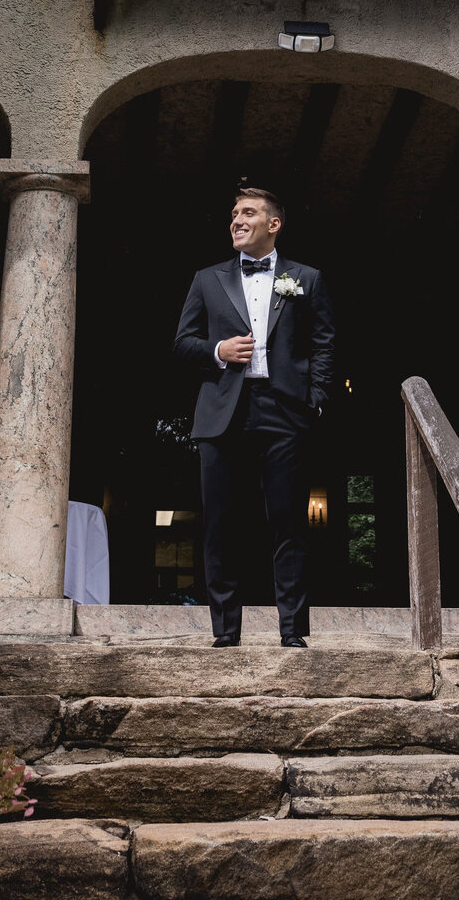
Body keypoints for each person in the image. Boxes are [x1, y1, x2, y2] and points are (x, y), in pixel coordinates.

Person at [173, 187, 335, 647]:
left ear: (273, 224)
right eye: (233, 215)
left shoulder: (307, 277)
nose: (236, 221)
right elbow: (182, 343)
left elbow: (323, 343)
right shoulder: (207, 278)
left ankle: (292, 633)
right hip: (223, 411)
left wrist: (316, 396)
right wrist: (218, 351)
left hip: (285, 410)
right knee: (221, 525)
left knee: (288, 524)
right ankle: (225, 633)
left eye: (247, 213)